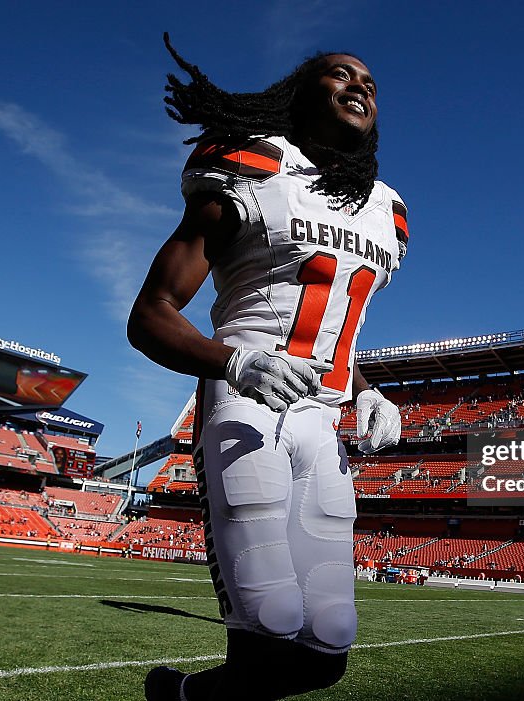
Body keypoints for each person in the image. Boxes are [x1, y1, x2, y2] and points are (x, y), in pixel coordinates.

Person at [130, 34, 405, 701]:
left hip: (322, 421)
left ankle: (183, 696)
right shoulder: (256, 167)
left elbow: (331, 327)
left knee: (328, 645)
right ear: (299, 93)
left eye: (369, 81)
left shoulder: (384, 209)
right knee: (270, 620)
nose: (359, 85)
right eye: (339, 74)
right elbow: (151, 313)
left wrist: (368, 390)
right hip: (245, 409)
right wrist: (237, 360)